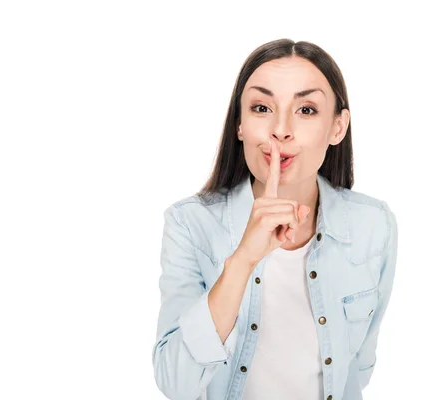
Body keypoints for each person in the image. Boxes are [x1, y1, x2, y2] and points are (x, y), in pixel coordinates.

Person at [152, 38, 398, 400]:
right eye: (262, 107)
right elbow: (175, 382)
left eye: (307, 110)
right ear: (240, 125)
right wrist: (242, 260)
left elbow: (358, 369)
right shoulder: (189, 224)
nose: (280, 130)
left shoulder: (373, 226)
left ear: (337, 127)